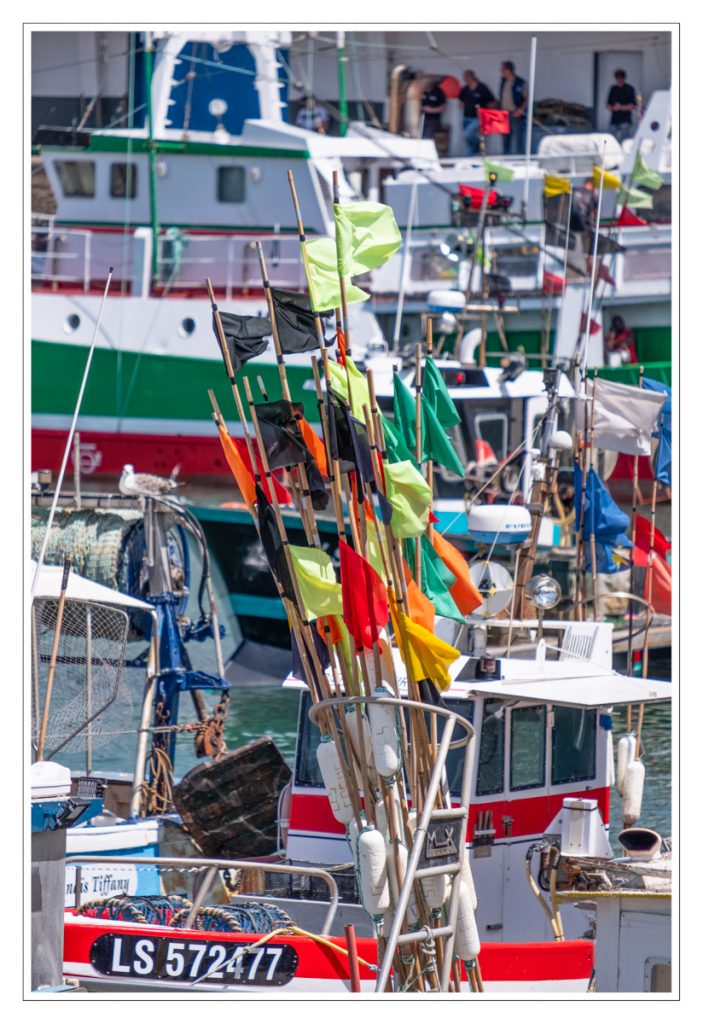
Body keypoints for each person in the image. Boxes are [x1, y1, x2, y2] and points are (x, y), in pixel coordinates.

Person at [459, 70, 495, 156]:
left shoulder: (482, 88)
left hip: (478, 118)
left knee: (467, 134)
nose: (464, 80)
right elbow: (461, 102)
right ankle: (470, 157)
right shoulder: (465, 89)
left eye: (465, 78)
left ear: (471, 77)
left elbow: (492, 103)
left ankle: (478, 146)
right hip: (466, 117)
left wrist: (488, 117)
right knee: (467, 139)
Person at [498, 61, 528, 156]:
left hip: (515, 113)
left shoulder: (520, 82)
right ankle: (506, 157)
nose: (501, 71)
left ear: (508, 70)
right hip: (504, 114)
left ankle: (519, 158)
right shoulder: (503, 81)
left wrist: (521, 110)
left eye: (503, 69)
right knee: (505, 139)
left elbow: (527, 98)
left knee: (517, 138)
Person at [607, 69, 637, 143]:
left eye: (620, 78)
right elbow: (608, 105)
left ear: (623, 78)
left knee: (624, 141)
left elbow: (633, 105)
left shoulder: (629, 89)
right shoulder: (613, 89)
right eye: (617, 78)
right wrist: (612, 108)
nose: (619, 80)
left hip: (625, 120)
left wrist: (621, 107)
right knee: (611, 139)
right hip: (614, 120)